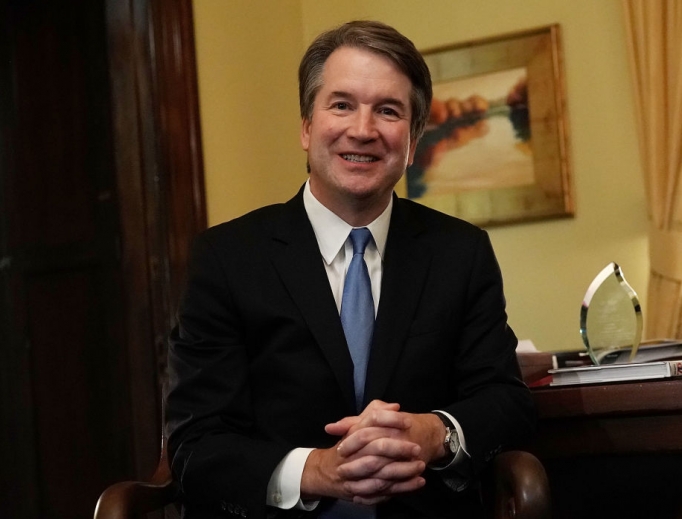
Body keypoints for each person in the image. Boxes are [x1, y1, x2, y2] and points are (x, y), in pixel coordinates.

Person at [165, 20, 535, 519]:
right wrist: (315, 469)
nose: (363, 130)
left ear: (413, 138)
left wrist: (436, 434)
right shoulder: (227, 258)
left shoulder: (460, 253)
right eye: (341, 105)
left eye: (387, 110)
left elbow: (505, 403)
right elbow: (197, 443)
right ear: (306, 126)